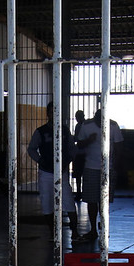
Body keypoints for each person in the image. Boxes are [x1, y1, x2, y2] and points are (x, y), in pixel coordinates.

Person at [26, 102, 81, 240]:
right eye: (51, 112)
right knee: (47, 203)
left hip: (61, 172)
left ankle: (75, 232)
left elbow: (72, 148)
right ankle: (53, 233)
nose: (53, 115)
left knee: (68, 201)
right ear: (47, 114)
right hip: (46, 172)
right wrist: (40, 160)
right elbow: (31, 149)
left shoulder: (65, 130)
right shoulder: (40, 131)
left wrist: (69, 159)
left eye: (55, 112)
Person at [76, 108, 123, 240]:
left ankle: (103, 225)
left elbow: (119, 147)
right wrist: (88, 141)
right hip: (90, 167)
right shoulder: (86, 126)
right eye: (98, 119)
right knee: (91, 200)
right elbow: (79, 144)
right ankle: (93, 229)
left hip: (107, 168)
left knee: (104, 200)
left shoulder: (113, 126)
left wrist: (115, 166)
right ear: (95, 117)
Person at [72, 110, 86, 200]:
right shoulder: (80, 125)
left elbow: (78, 138)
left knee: (79, 174)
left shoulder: (82, 126)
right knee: (79, 174)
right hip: (82, 152)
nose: (77, 119)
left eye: (78, 117)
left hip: (82, 152)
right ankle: (79, 193)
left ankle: (79, 193)